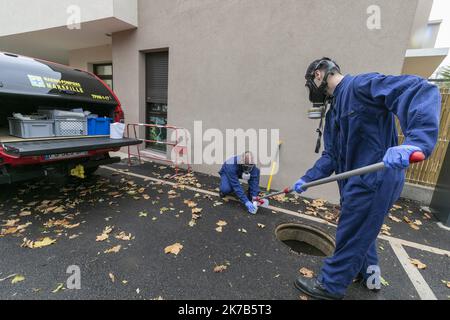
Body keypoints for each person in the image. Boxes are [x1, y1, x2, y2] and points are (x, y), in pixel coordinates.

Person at [293, 57, 441, 300]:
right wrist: (307, 179)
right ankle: (369, 270)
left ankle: (330, 285)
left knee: (350, 232)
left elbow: (419, 89)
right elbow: (331, 156)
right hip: (357, 183)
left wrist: (416, 142)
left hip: (374, 179)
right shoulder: (333, 114)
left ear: (318, 75)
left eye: (311, 81)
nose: (311, 88)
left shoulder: (360, 86)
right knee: (363, 227)